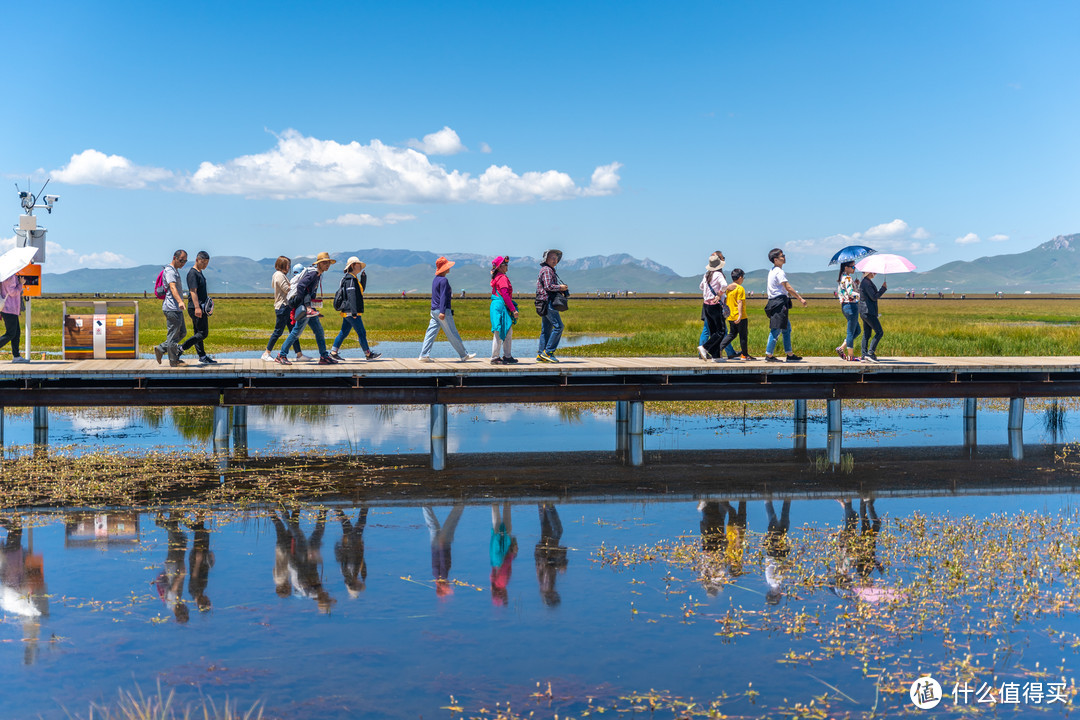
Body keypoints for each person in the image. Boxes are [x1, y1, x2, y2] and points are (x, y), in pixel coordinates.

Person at [276, 252, 337, 365]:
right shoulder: (313, 274)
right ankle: (281, 355)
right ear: (319, 264)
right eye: (324, 263)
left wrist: (312, 308)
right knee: (296, 331)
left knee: (319, 331)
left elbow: (310, 292)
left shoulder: (318, 275)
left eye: (328, 263)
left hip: (309, 309)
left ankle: (324, 356)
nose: (327, 265)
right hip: (304, 307)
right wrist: (305, 305)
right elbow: (301, 286)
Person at [418, 256, 475, 362]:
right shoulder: (444, 280)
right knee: (452, 332)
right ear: (444, 268)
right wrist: (443, 311)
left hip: (434, 310)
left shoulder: (435, 280)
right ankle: (464, 355)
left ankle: (424, 355)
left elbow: (436, 296)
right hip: (442, 310)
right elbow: (443, 296)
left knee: (430, 332)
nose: (449, 268)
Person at [329, 256, 381, 361]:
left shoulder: (352, 278)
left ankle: (333, 352)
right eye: (358, 264)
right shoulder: (350, 279)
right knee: (361, 332)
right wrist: (354, 312)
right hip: (351, 311)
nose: (360, 266)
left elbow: (360, 291)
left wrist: (363, 278)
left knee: (344, 332)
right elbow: (351, 295)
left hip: (348, 311)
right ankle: (368, 354)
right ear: (352, 266)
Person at [763, 248, 807, 363]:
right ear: (775, 259)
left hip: (776, 302)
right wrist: (800, 298)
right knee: (776, 328)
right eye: (782, 256)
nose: (784, 258)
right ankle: (769, 354)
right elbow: (787, 287)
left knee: (786, 328)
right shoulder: (779, 272)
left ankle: (789, 353)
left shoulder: (772, 270)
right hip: (779, 303)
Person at [263, 256, 304, 361]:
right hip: (283, 307)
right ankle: (266, 353)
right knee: (278, 331)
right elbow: (287, 289)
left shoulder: (279, 275)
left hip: (285, 307)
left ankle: (299, 354)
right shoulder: (279, 275)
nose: (289, 267)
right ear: (282, 265)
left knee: (293, 331)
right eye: (287, 265)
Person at [154, 249, 189, 367]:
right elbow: (173, 287)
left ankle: (161, 348)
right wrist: (180, 301)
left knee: (182, 332)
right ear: (174, 258)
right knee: (173, 336)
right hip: (172, 307)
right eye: (181, 260)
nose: (183, 263)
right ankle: (173, 361)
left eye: (185, 261)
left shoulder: (175, 270)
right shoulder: (170, 271)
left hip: (176, 309)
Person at [180, 250, 216, 365]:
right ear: (197, 260)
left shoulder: (199, 272)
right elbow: (193, 291)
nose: (205, 265)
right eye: (203, 262)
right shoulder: (193, 273)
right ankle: (180, 348)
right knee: (203, 333)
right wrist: (197, 308)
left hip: (201, 306)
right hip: (196, 307)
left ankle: (202, 356)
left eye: (207, 263)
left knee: (198, 333)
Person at [697, 251, 731, 362]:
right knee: (721, 331)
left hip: (706, 305)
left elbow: (701, 286)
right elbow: (725, 285)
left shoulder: (707, 274)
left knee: (713, 331)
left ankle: (716, 356)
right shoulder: (718, 274)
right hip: (715, 305)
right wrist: (719, 294)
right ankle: (705, 347)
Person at [423, 505, 464, 599]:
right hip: (435, 546)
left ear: (443, 587)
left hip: (443, 545)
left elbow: (442, 559)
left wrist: (442, 545)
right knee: (433, 525)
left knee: (452, 521)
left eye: (447, 588)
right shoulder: (436, 575)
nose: (449, 586)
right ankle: (425, 505)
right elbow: (436, 560)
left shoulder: (443, 575)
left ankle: (460, 503)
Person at [535, 249, 569, 363]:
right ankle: (548, 352)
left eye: (556, 258)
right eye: (552, 258)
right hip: (548, 302)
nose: (555, 260)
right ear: (546, 259)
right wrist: (561, 288)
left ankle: (541, 354)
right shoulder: (547, 270)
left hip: (544, 302)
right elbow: (549, 286)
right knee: (559, 326)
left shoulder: (548, 270)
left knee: (546, 329)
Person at [714, 268, 754, 360]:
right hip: (740, 316)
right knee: (743, 335)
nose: (743, 279)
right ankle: (745, 354)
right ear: (740, 278)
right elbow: (740, 302)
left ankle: (719, 347)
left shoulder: (729, 289)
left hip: (731, 316)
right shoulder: (740, 288)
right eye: (743, 277)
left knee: (732, 334)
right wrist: (740, 315)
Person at [534, 503, 567, 607]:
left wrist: (559, 566)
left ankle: (548, 507)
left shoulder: (546, 586)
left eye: (555, 596)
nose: (556, 594)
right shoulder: (545, 586)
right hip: (542, 553)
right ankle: (542, 505)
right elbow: (546, 568)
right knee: (546, 528)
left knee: (557, 531)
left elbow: (548, 567)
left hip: (545, 553)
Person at [489, 256, 518, 364]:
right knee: (500, 331)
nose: (507, 266)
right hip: (501, 307)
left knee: (506, 331)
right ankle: (495, 357)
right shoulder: (502, 278)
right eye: (505, 265)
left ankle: (507, 356)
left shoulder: (498, 277)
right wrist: (513, 309)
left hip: (497, 306)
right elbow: (505, 295)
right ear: (500, 267)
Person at [334, 507, 368, 598]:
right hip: (354, 545)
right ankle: (337, 507)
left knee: (350, 524)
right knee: (349, 524)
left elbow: (346, 558)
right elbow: (360, 560)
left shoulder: (349, 573)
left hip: (351, 545)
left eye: (359, 585)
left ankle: (365, 506)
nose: (360, 583)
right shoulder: (353, 574)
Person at [489, 503, 517, 606]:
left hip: (501, 553)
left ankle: (507, 503)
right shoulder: (493, 582)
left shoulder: (502, 583)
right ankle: (494, 504)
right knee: (496, 526)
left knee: (507, 527)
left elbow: (505, 566)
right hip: (495, 557)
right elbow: (494, 569)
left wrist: (511, 555)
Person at [835, 262, 861, 362]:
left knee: (857, 330)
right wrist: (860, 295)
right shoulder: (848, 278)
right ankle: (851, 356)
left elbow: (845, 291)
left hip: (845, 306)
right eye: (853, 266)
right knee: (851, 332)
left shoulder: (843, 277)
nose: (854, 268)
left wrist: (855, 284)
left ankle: (841, 348)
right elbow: (850, 293)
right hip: (851, 306)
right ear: (846, 267)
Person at [859, 272, 887, 362]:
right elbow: (874, 297)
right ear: (868, 273)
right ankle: (870, 353)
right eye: (873, 272)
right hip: (868, 312)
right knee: (879, 332)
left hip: (864, 311)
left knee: (867, 334)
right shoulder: (867, 283)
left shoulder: (865, 282)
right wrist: (883, 289)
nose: (875, 274)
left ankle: (864, 355)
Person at [0, 271, 28, 363]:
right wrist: (20, 284)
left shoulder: (5, 275)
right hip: (9, 308)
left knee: (16, 332)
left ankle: (16, 356)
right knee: (11, 333)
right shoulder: (10, 276)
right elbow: (12, 292)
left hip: (10, 309)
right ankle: (16, 356)